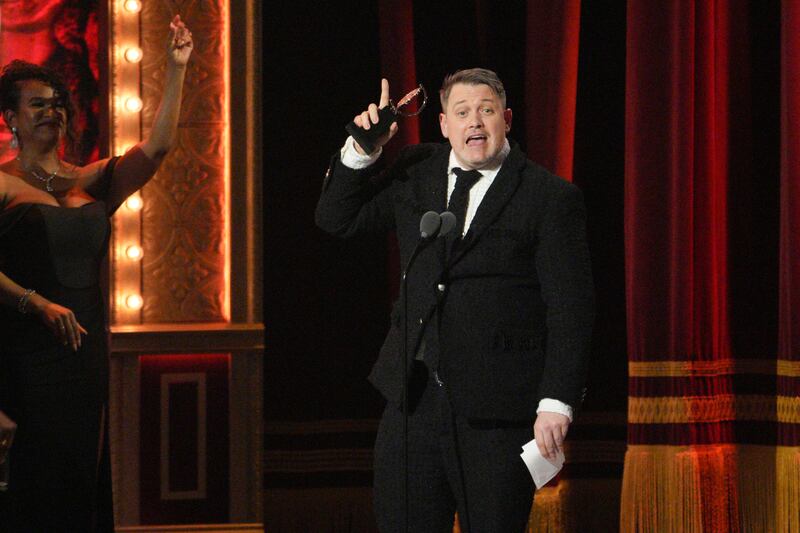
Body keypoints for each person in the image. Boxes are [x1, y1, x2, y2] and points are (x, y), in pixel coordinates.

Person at [316, 69, 594, 532]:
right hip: (413, 403)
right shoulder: (415, 172)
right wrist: (364, 149)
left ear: (505, 119)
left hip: (497, 413)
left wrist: (557, 403)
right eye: (462, 113)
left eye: (486, 111)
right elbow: (336, 218)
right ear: (444, 124)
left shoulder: (549, 198)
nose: (475, 124)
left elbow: (571, 310)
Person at [0, 15, 192, 531]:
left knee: (80, 479)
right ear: (10, 119)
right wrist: (33, 302)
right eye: (36, 104)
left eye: (56, 102)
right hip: (24, 352)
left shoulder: (90, 180)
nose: (51, 111)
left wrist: (176, 69)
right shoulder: (2, 184)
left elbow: (157, 148)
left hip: (84, 356)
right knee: (34, 480)